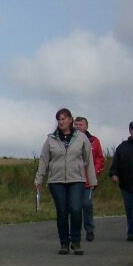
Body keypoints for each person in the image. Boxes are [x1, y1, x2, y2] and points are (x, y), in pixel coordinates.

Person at [34, 108, 98, 255]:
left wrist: (92, 180)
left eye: (63, 119)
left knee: (76, 209)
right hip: (56, 180)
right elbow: (44, 160)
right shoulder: (51, 139)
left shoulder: (81, 137)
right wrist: (39, 179)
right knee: (62, 212)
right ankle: (64, 243)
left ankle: (76, 241)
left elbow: (88, 159)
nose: (61, 122)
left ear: (70, 120)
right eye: (59, 119)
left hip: (77, 179)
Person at [73, 116, 105, 242]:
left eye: (80, 125)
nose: (78, 127)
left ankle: (89, 229)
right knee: (74, 207)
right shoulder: (69, 140)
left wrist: (95, 172)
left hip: (88, 180)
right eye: (76, 125)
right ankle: (75, 231)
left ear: (86, 126)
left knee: (87, 204)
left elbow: (99, 158)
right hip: (73, 179)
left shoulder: (94, 141)